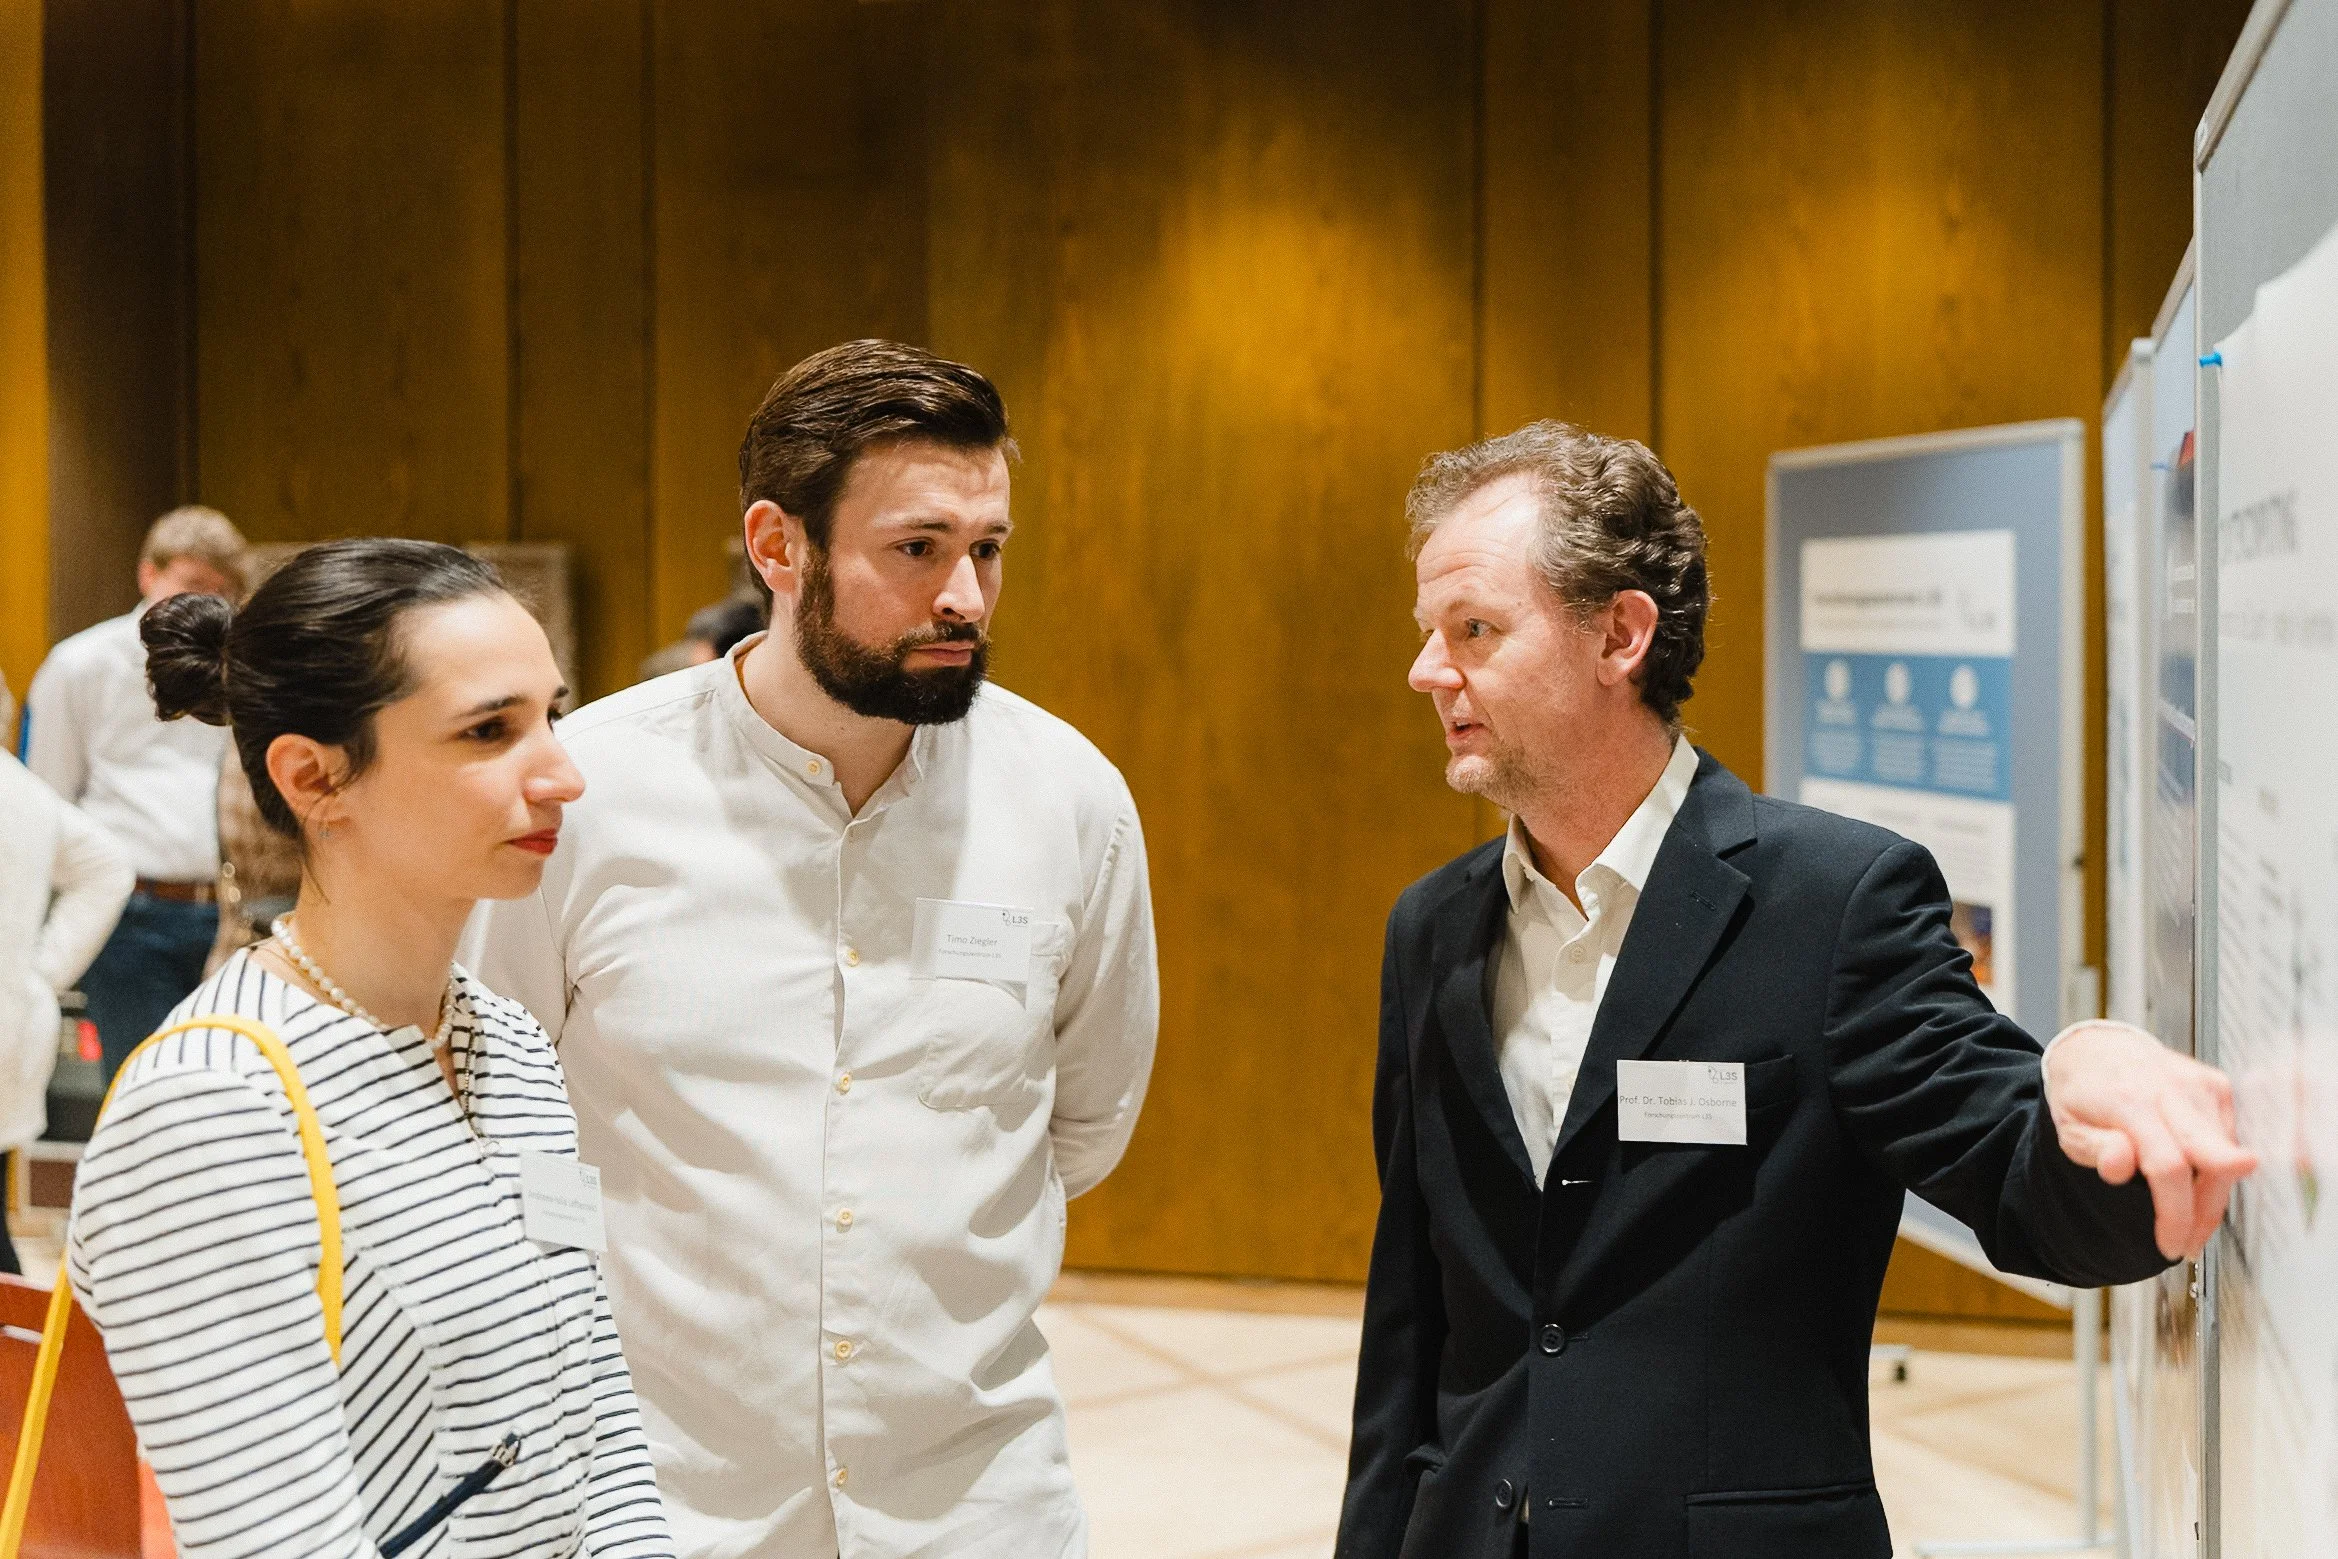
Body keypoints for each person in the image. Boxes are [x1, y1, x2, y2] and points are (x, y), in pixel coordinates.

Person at [1337, 422, 2255, 1559]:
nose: (1428, 669)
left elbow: (2024, 1180)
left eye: (1472, 628)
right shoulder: (1430, 929)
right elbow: (1410, 1319)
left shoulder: (1832, 903)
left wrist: (2092, 1087)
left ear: (1619, 634)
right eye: (1428, 631)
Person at [468, 339, 1159, 1559]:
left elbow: (1085, 1119)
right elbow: (491, 1114)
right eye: (917, 548)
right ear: (778, 547)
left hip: (976, 1503)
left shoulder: (1069, 799)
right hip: (664, 1501)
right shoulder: (587, 795)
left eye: (986, 548)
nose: (965, 596)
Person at [67, 539, 673, 1559]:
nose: (564, 774)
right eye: (489, 729)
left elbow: (597, 1414)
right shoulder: (213, 1108)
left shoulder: (510, 1042)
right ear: (314, 777)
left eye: (552, 716)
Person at [26, 506, 249, 1076]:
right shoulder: (80, 663)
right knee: (144, 1084)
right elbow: (48, 798)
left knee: (231, 1085)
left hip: (231, 911)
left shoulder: (240, 662)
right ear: (148, 574)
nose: (208, 602)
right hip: (131, 914)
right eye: (192, 584)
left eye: (221, 590)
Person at [0, 751, 132, 1274]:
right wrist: (38, 977)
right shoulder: (18, 786)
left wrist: (39, 976)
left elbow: (108, 867)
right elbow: (109, 865)